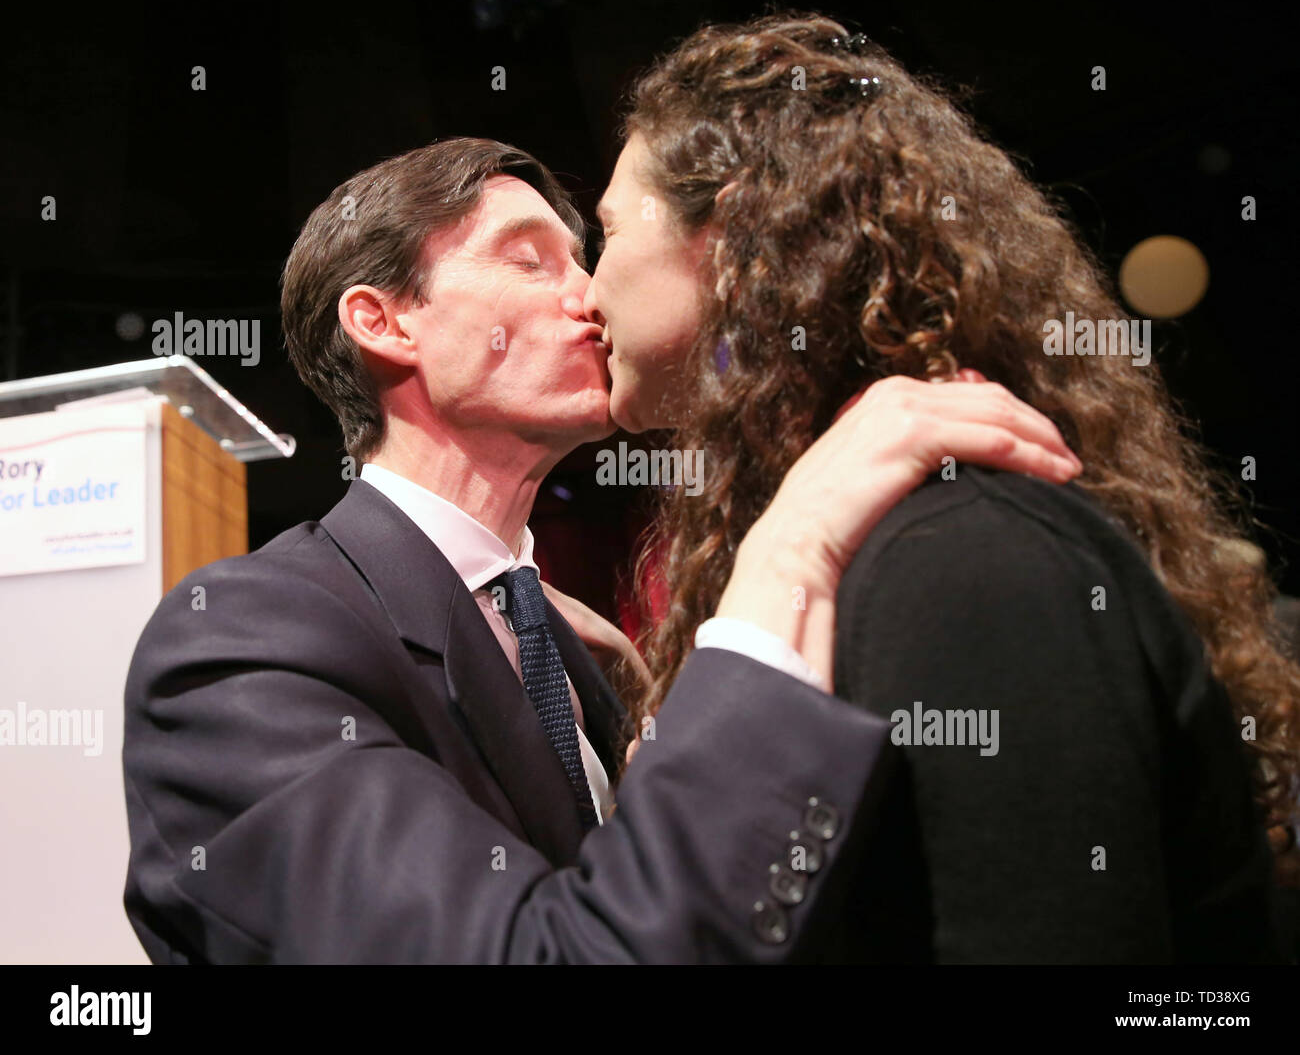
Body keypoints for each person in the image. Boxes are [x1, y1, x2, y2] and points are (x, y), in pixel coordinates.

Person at [121, 137, 1079, 964]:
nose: (593, 297)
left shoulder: (571, 653)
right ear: (385, 321)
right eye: (531, 261)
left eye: (588, 258)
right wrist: (790, 550)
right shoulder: (240, 641)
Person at [582, 12, 1299, 962]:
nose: (585, 294)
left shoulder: (959, 555)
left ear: (735, 230)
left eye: (605, 233)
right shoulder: (884, 543)